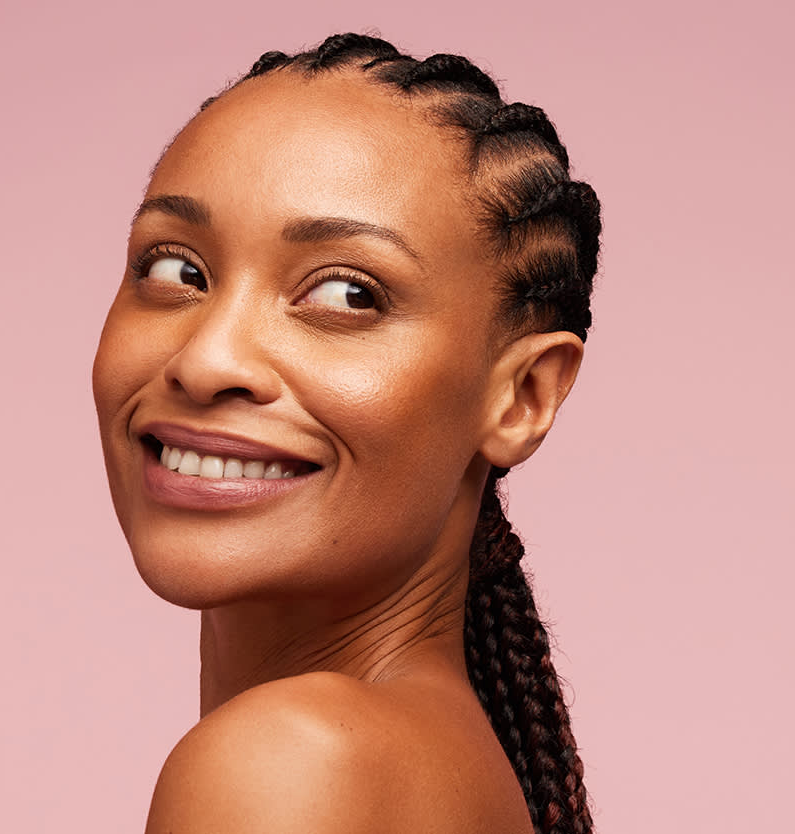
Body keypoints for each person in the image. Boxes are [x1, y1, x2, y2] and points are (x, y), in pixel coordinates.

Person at [92, 33, 601, 834]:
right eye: (176, 270)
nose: (206, 359)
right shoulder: (441, 764)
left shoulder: (292, 762)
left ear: (521, 396)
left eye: (346, 293)